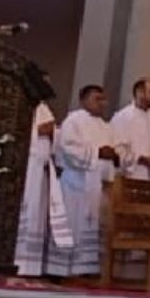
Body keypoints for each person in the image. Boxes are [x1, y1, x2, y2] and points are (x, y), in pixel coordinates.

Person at [48, 85, 118, 276]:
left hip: (98, 185)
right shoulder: (74, 121)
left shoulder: (106, 126)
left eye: (104, 99)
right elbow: (68, 148)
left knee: (93, 225)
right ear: (83, 100)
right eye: (97, 99)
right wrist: (97, 152)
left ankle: (88, 269)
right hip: (76, 184)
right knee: (74, 224)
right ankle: (61, 270)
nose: (102, 103)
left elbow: (113, 152)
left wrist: (113, 155)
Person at [12, 101, 60, 276]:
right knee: (26, 213)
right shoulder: (19, 102)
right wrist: (38, 131)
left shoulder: (42, 107)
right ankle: (18, 262)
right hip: (26, 165)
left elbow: (55, 133)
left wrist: (53, 133)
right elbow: (13, 130)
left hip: (40, 168)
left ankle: (31, 267)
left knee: (37, 216)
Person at [110, 77, 150, 181]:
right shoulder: (123, 117)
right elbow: (117, 150)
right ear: (140, 93)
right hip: (129, 175)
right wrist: (143, 160)